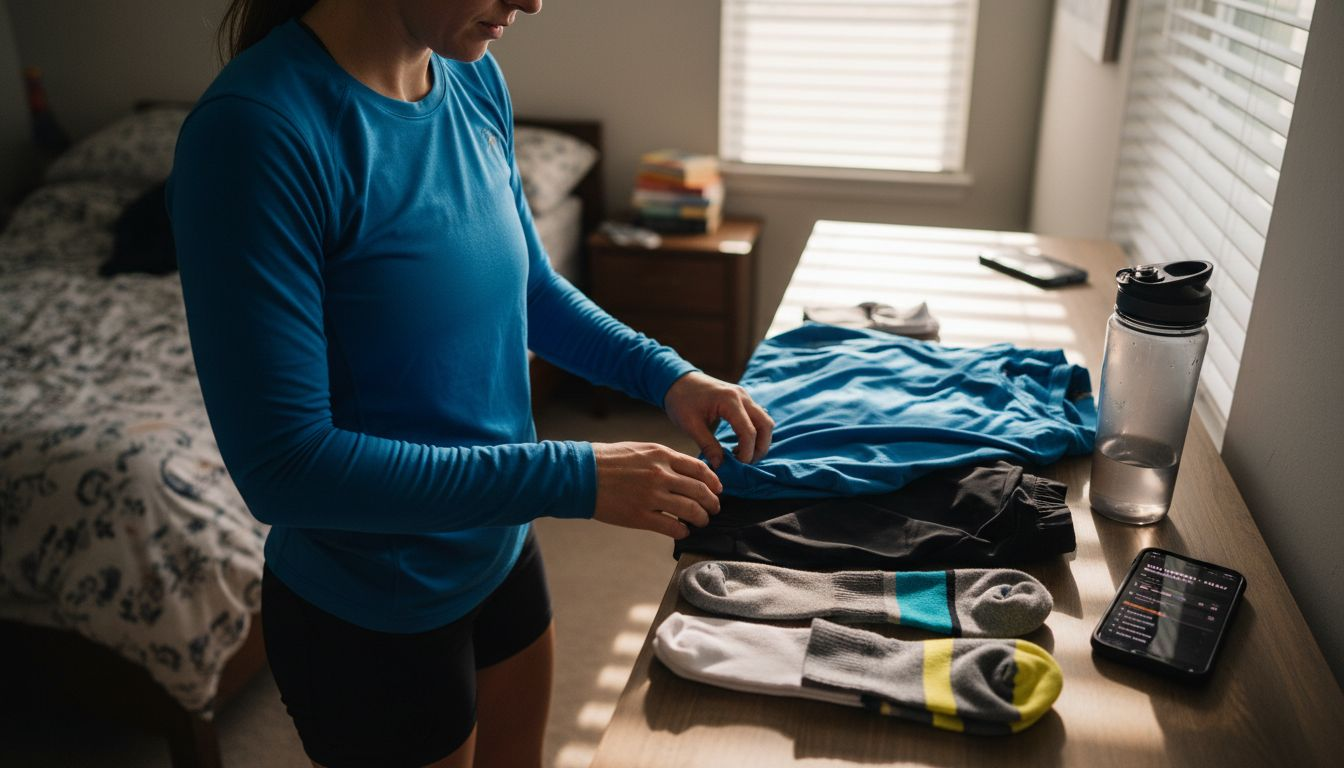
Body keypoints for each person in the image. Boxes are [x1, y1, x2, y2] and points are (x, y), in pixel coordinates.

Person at [167, 1, 774, 766]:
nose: (531, 1)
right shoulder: (255, 133)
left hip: (500, 549)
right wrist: (575, 474)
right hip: (373, 611)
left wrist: (668, 375)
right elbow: (285, 469)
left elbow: (529, 290)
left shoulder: (471, 75)